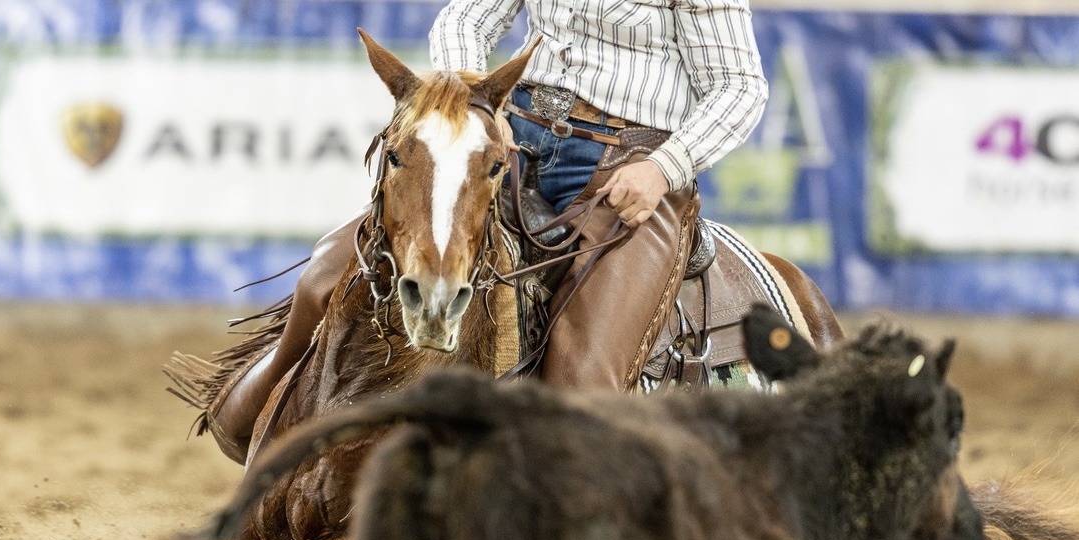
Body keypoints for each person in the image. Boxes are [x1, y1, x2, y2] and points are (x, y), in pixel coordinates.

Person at [203, 0, 768, 461]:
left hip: (631, 169)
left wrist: (664, 168)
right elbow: (466, 18)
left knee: (583, 381)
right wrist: (474, 106)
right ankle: (263, 406)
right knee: (330, 271)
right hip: (512, 138)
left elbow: (740, 87)